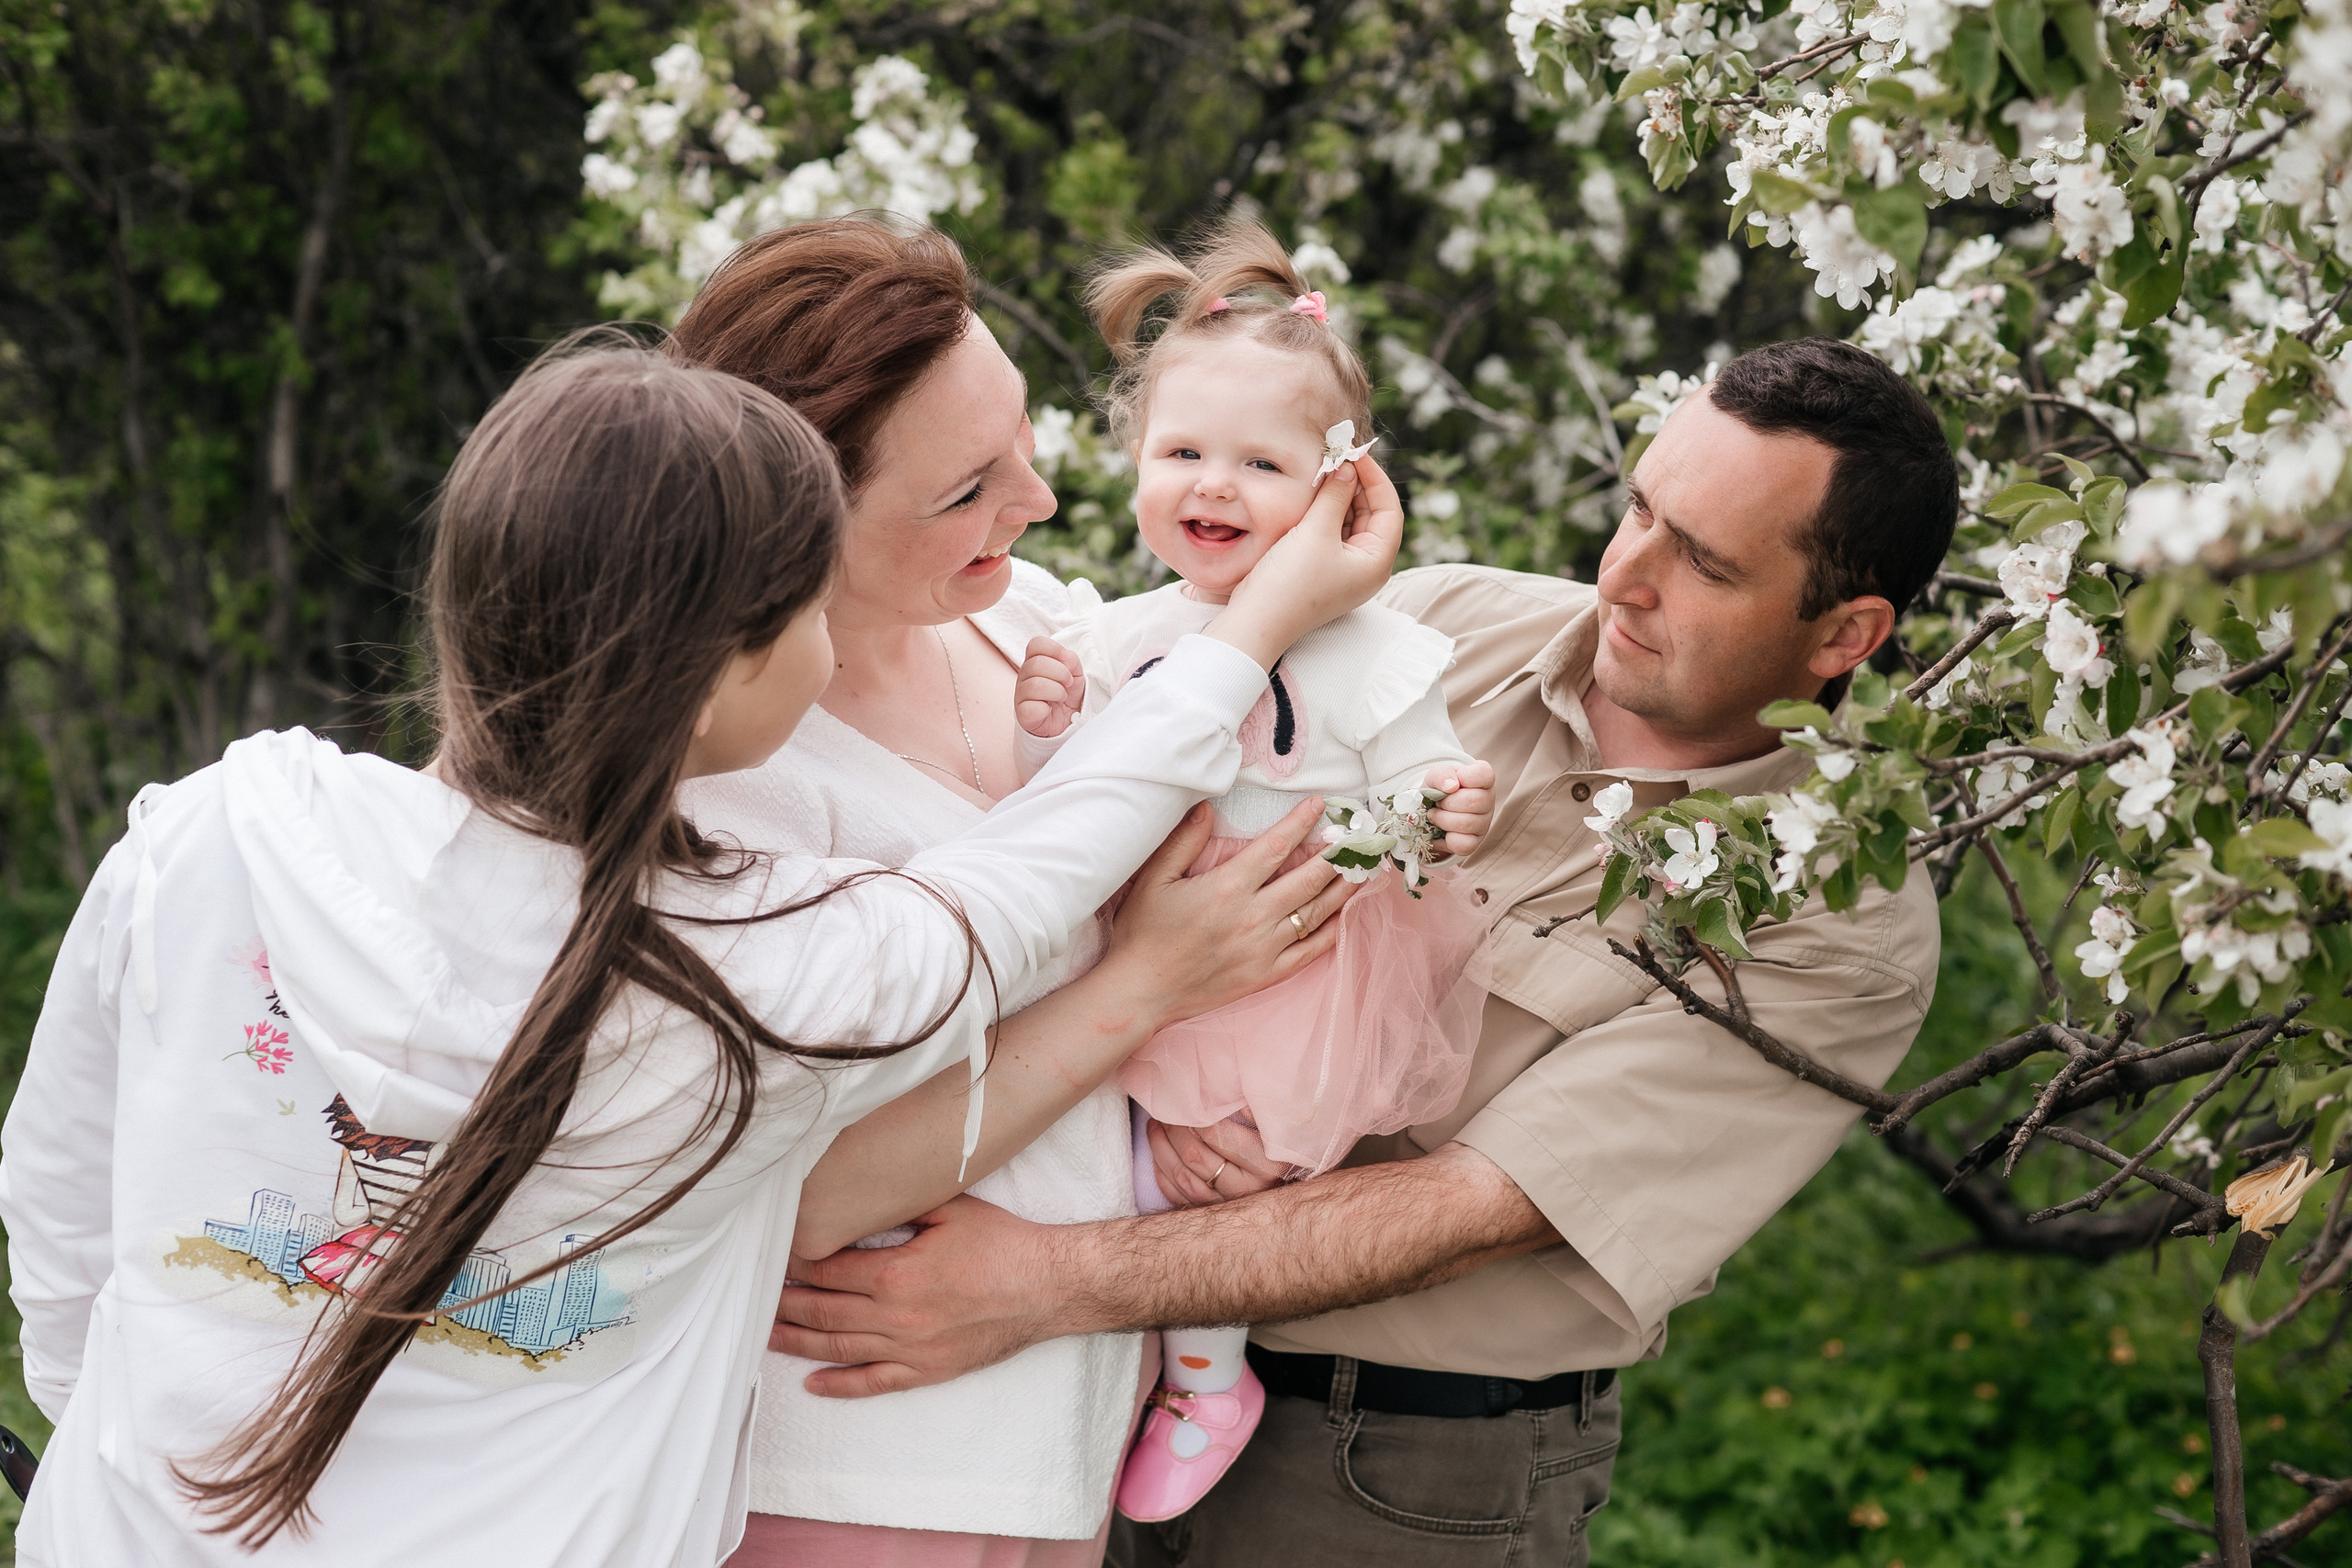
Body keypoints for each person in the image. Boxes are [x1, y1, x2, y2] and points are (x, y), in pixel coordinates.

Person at [0, 335, 1397, 1565]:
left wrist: (110, 1451)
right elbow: (1044, 867)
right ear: (725, 665)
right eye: (802, 616)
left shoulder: (220, 829)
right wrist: (1262, 620)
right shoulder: (763, 977)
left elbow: (66, 1226)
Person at [767, 336, 1958, 1568]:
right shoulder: (1446, 623)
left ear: (1844, 634)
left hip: (1390, 1471)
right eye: (1638, 512)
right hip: (1098, 1386)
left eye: (1701, 561)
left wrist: (1041, 1284)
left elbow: (1469, 1211)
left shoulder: (1834, 920)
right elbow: (1130, 848)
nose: (1627, 579)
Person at [662, 214, 1382, 1566]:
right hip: (856, 1459)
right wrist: (1154, 982)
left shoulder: (1030, 616)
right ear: (793, 508)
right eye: (968, 490)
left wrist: (1175, 1129)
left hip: (1063, 1433)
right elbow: (792, 1193)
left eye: (1027, 450)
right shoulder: (732, 774)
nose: (1040, 506)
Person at [1011, 218, 1497, 1522]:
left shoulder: (1367, 645)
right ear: (1133, 462)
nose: (1213, 486)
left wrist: (1443, 804)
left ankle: (1206, 1379)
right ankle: (1123, 1373)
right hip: (1136, 950)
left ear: (1341, 485)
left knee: (1216, 1171)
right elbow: (1055, 789)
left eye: (1261, 463)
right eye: (1182, 454)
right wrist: (1050, 700)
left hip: (1286, 962)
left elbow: (1420, 764)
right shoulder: (1119, 630)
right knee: (1100, 1167)